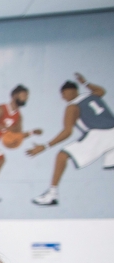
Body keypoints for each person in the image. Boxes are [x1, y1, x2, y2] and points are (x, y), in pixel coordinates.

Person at [28, 73, 113, 206]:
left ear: (71, 92)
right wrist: (85, 83)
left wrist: (45, 146)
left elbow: (67, 132)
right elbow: (102, 90)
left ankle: (52, 194)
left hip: (99, 135)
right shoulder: (93, 95)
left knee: (61, 156)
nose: (63, 97)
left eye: (64, 94)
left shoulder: (72, 107)